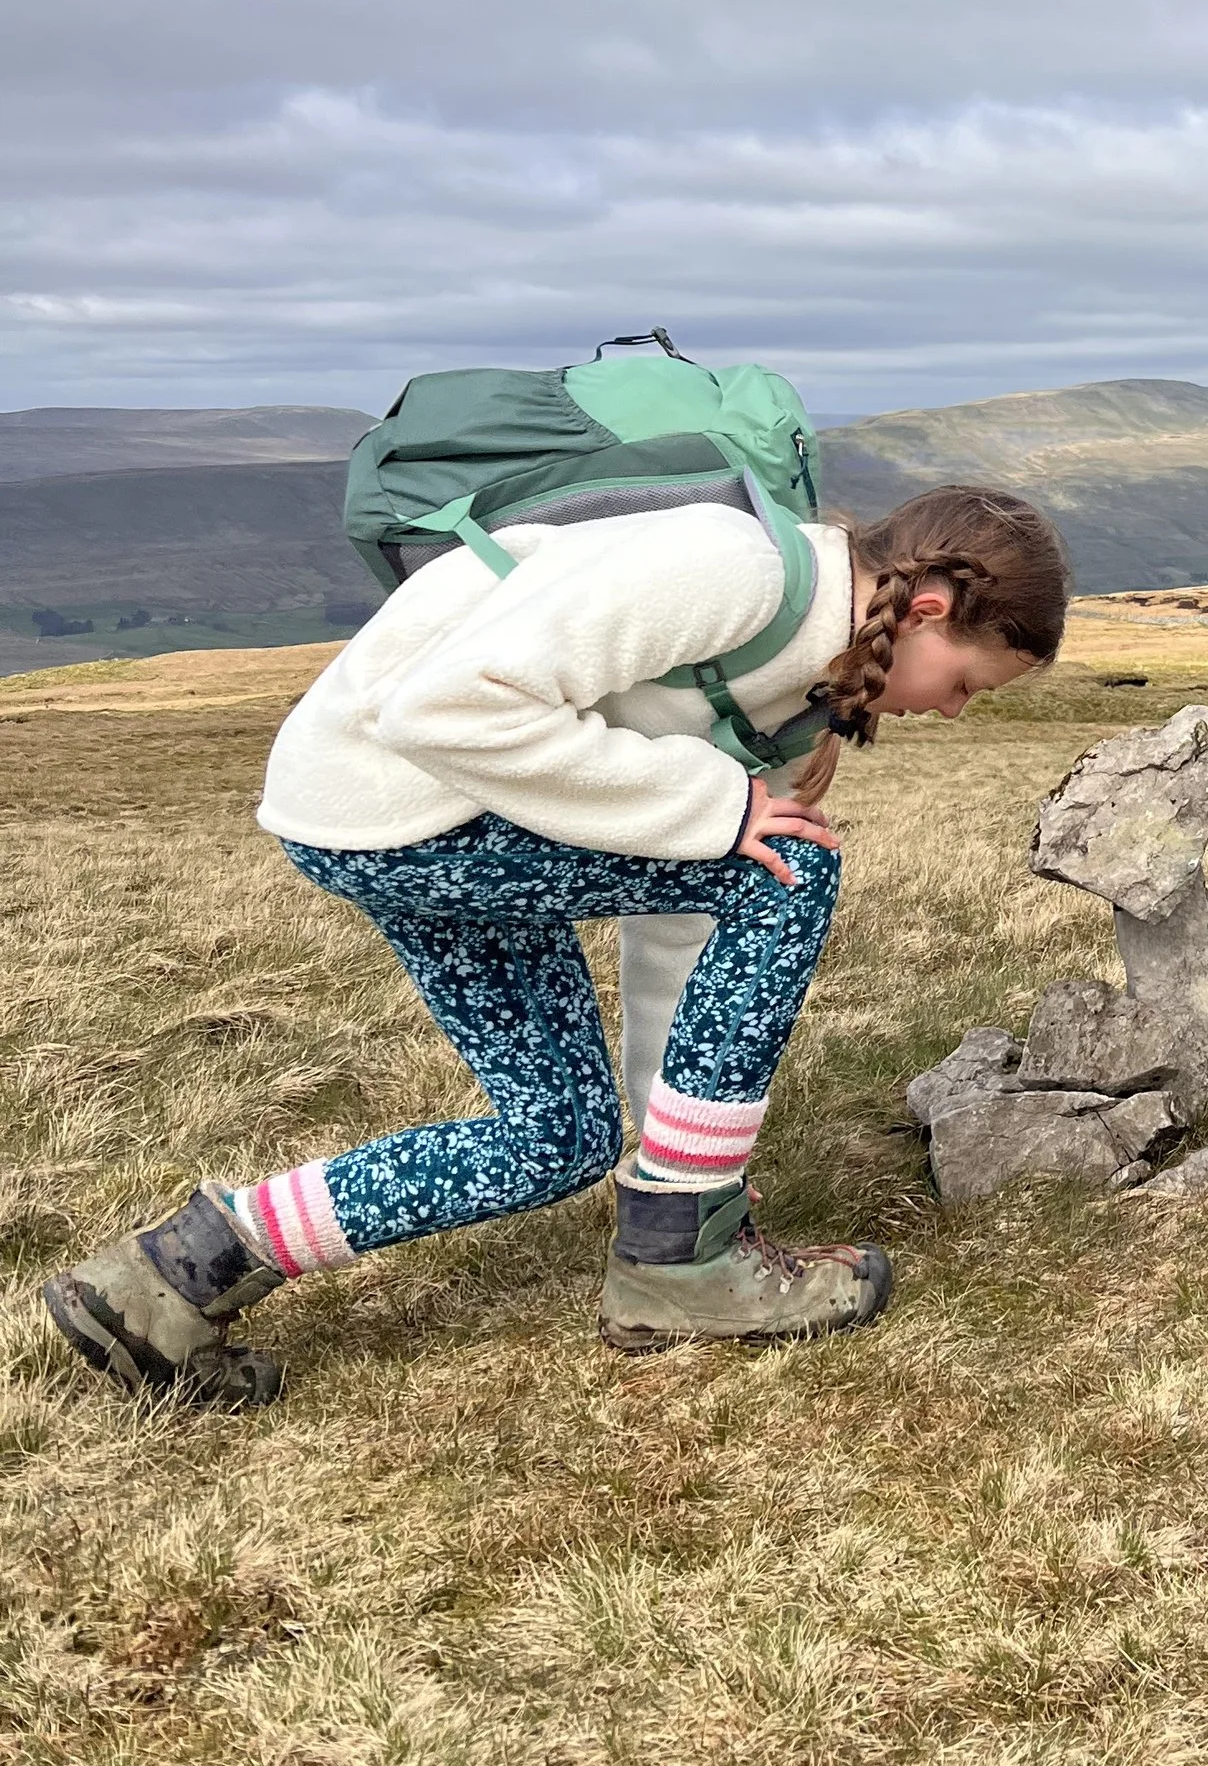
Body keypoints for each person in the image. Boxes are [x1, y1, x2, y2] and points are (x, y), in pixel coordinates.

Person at [41, 484, 1069, 1408]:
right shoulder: (736, 571)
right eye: (968, 683)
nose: (952, 710)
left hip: (403, 815)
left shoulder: (803, 683)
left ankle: (169, 1279)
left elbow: (682, 933)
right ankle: (678, 1272)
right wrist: (714, 804)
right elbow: (443, 707)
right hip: (401, 805)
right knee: (786, 867)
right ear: (927, 608)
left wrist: (676, 1164)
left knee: (558, 1138)